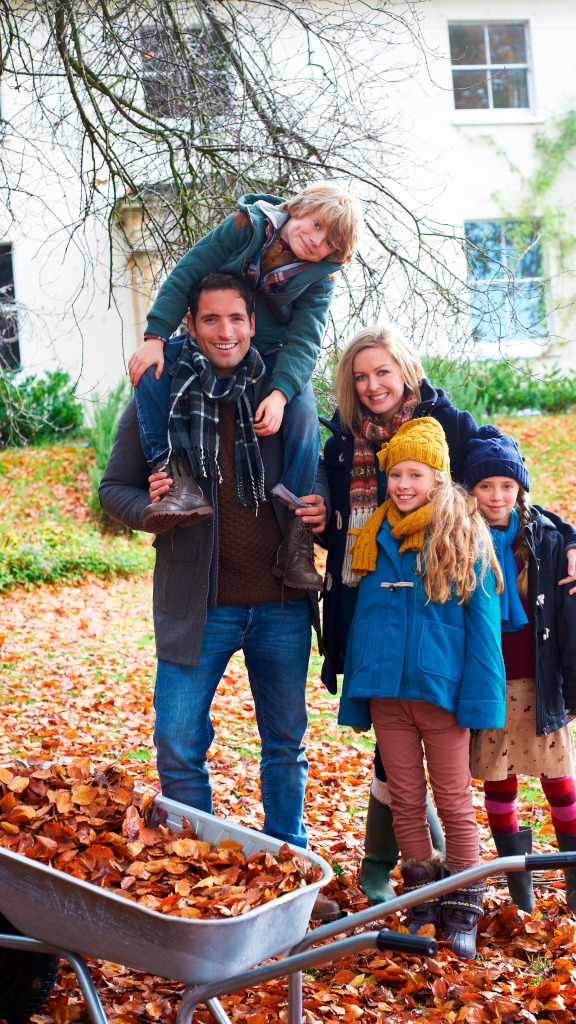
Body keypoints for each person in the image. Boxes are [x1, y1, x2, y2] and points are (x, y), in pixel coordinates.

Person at [318, 323, 576, 905]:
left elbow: (508, 485)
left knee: (436, 759)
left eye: (383, 372)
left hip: (441, 601)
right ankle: (391, 864)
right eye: (360, 376)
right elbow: (333, 513)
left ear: (407, 371)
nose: (372, 385)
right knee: (391, 739)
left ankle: (439, 879)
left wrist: (570, 537)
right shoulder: (344, 442)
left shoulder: (450, 426)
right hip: (368, 594)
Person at [99, 272, 340, 920]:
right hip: (196, 608)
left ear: (253, 322)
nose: (226, 331)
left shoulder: (286, 393)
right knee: (178, 743)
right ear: (193, 327)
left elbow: (320, 479)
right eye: (211, 321)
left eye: (237, 318)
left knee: (284, 745)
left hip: (280, 605)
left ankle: (292, 872)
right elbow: (113, 490)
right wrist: (156, 511)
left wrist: (320, 509)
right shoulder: (161, 398)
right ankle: (200, 871)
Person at [128, 180, 363, 591]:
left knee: (306, 418)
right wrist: (155, 338)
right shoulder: (246, 225)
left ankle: (296, 541)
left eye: (329, 242)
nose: (316, 241)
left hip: (271, 356)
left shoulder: (319, 279)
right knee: (150, 370)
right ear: (299, 208)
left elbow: (306, 338)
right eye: (315, 225)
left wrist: (279, 393)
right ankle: (178, 479)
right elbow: (188, 271)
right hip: (218, 339)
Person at [338, 417, 506, 958]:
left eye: (415, 474)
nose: (403, 485)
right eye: (395, 475)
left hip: (443, 696)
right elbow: (367, 622)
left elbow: (483, 630)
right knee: (405, 800)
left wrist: (480, 701)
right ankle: (422, 901)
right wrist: (360, 689)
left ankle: (462, 904)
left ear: (437, 477)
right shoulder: (374, 534)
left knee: (454, 802)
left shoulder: (463, 534)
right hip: (388, 694)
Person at [465, 424, 576, 923]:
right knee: (499, 786)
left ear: (520, 489)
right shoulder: (462, 535)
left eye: (507, 485)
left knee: (559, 783)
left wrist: (575, 687)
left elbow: (571, 622)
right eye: (485, 486)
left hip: (541, 686)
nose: (497, 496)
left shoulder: (545, 538)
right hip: (489, 685)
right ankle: (520, 891)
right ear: (470, 490)